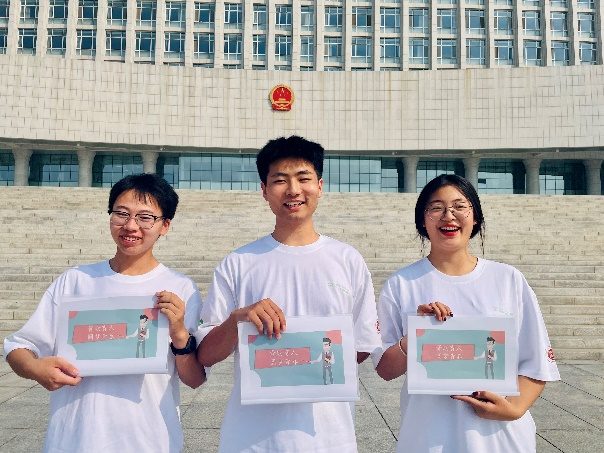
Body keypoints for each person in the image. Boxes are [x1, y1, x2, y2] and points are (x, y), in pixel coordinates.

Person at [195, 135, 382, 452]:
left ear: (319, 186)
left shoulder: (347, 260)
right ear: (264, 190)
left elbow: (363, 345)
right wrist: (237, 320)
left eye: (303, 178)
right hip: (252, 440)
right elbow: (205, 355)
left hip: (328, 438)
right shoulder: (238, 263)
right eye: (280, 180)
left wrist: (307, 364)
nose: (293, 190)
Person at [3, 173, 206, 452]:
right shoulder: (75, 281)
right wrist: (34, 369)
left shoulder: (180, 288)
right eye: (121, 213)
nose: (131, 225)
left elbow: (194, 379)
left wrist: (180, 334)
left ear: (165, 226)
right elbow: (19, 347)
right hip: (75, 439)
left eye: (145, 217)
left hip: (149, 439)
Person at [376, 174, 560, 453]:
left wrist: (514, 408)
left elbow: (536, 363)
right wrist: (416, 335)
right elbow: (385, 370)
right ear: (422, 220)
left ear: (475, 218)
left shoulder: (508, 279)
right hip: (428, 437)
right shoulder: (401, 284)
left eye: (459, 206)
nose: (448, 216)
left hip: (500, 438)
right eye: (436, 208)